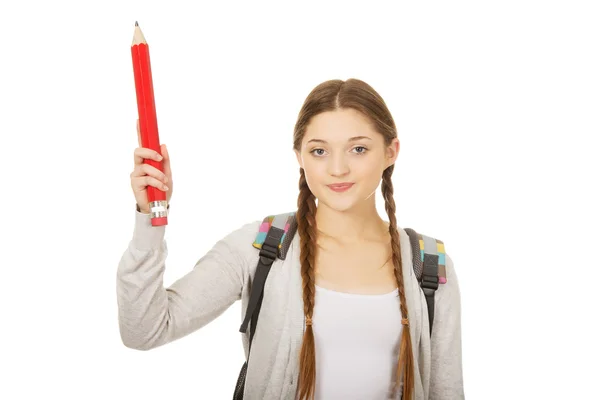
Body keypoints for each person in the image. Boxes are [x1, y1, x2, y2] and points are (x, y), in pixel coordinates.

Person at [117, 78, 464, 400]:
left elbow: (446, 391)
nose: (338, 169)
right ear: (299, 156)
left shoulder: (429, 265)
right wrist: (150, 217)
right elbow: (145, 330)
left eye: (358, 149)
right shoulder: (260, 247)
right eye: (319, 151)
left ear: (391, 152)